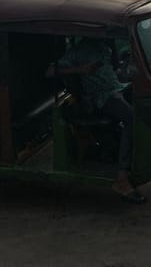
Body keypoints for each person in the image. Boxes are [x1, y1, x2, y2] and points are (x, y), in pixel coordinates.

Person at [46, 37, 145, 204]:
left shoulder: (104, 45)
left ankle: (133, 157)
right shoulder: (79, 51)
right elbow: (49, 71)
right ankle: (121, 178)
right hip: (102, 97)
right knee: (131, 118)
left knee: (144, 102)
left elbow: (115, 68)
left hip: (117, 88)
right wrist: (81, 69)